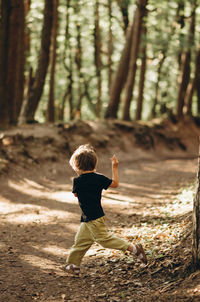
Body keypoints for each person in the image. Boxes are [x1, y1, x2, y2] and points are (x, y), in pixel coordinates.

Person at [65, 144, 147, 276]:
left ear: (77, 166)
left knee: (104, 239)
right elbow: (115, 184)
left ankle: (133, 248)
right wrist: (114, 167)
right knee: (81, 240)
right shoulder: (99, 177)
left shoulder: (77, 181)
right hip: (91, 217)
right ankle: (73, 265)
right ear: (94, 164)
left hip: (92, 218)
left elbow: (75, 194)